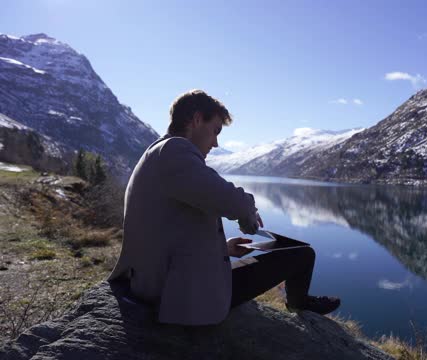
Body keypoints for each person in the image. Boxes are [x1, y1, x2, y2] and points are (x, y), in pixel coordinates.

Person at [107, 89, 340, 325]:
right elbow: (232, 200)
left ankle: (297, 301)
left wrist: (224, 249)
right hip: (176, 293)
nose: (216, 143)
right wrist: (249, 214)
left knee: (277, 256)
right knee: (302, 255)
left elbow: (165, 227)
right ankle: (299, 303)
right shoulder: (175, 150)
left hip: (156, 280)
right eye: (215, 130)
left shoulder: (156, 151)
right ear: (197, 119)